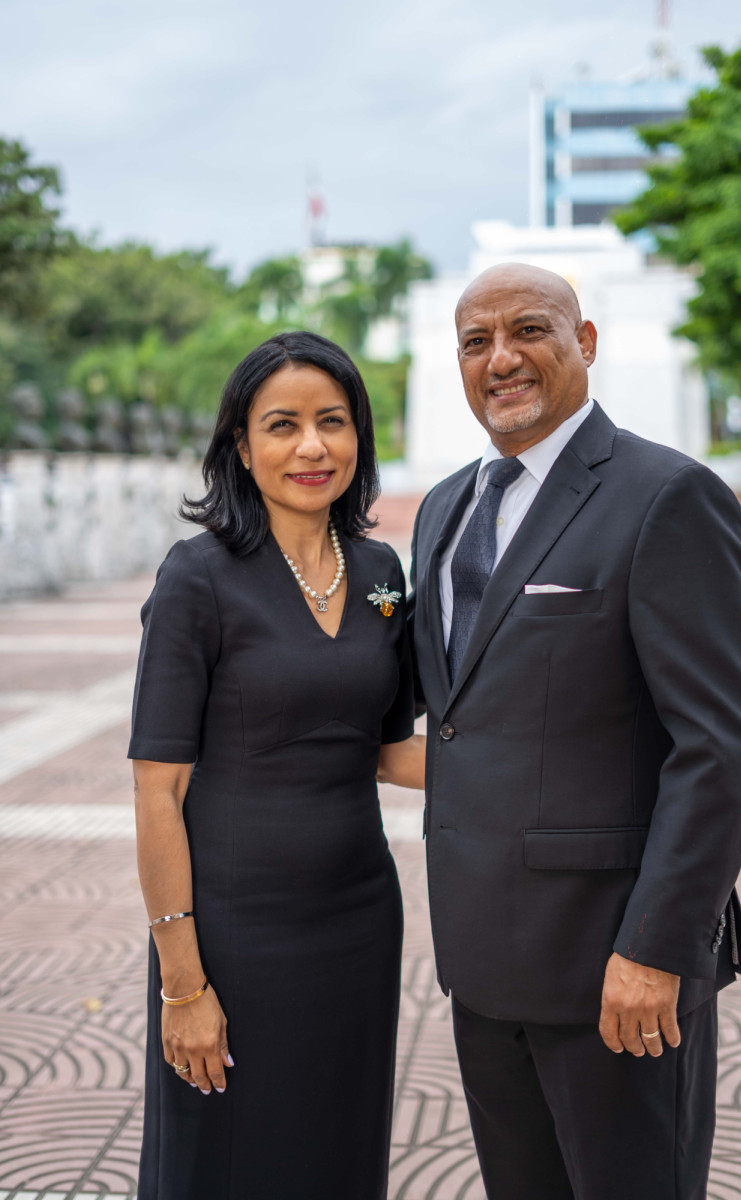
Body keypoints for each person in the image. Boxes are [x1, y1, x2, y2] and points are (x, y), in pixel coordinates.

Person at [407, 263, 741, 1200]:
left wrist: (657, 948)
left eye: (529, 330)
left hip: (615, 971)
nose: (502, 359)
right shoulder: (445, 510)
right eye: (476, 342)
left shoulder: (667, 496)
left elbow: (719, 748)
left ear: (586, 344)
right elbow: (462, 717)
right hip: (482, 970)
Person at [130, 331, 425, 1200]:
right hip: (232, 929)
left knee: (337, 1151)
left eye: (332, 422)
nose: (311, 446)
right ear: (240, 445)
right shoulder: (199, 577)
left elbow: (386, 749)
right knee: (226, 1160)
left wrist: (532, 764)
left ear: (359, 437)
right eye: (282, 424)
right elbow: (158, 791)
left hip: (359, 922)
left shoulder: (378, 573)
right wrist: (182, 985)